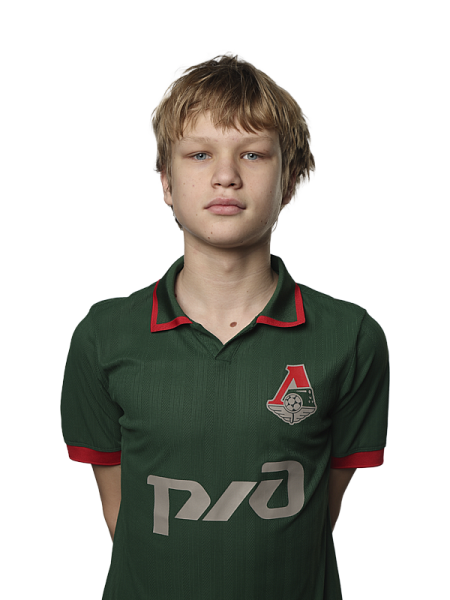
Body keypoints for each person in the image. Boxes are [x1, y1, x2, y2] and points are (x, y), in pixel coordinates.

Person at [60, 51, 390, 599]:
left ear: (291, 181)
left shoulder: (351, 339)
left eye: (253, 154)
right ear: (166, 181)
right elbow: (122, 512)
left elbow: (317, 514)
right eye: (199, 154)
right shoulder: (104, 336)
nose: (226, 176)